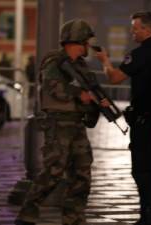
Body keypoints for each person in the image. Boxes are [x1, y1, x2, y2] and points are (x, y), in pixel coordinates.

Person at [15, 19, 102, 225]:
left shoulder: (81, 66)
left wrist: (97, 105)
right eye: (86, 41)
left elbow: (91, 95)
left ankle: (74, 219)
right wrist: (79, 93)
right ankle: (28, 212)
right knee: (53, 172)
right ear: (77, 40)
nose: (88, 45)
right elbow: (54, 88)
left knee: (82, 175)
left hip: (77, 125)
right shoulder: (54, 61)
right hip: (58, 124)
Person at [95, 11, 151, 225]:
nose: (132, 32)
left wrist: (105, 60)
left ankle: (150, 216)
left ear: (147, 29)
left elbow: (115, 77)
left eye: (135, 28)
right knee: (150, 167)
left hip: (143, 120)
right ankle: (150, 213)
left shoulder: (140, 54)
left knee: (141, 170)